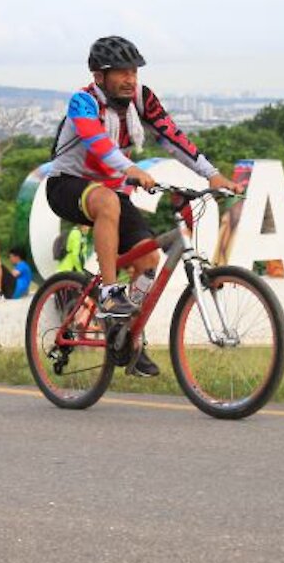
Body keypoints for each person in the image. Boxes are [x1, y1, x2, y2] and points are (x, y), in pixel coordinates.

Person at [44, 35, 242, 377]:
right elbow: (98, 141)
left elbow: (172, 136)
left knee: (149, 260)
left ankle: (128, 338)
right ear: (98, 76)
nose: (129, 78)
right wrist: (130, 169)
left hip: (112, 191)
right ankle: (107, 294)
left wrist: (212, 175)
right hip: (66, 185)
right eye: (120, 72)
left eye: (133, 71)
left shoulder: (141, 100)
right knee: (107, 200)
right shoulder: (83, 102)